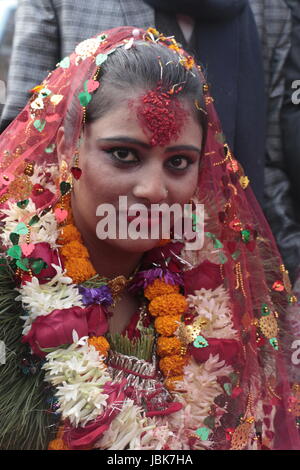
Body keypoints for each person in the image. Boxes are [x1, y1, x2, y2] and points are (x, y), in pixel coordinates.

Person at [0, 27, 299, 451]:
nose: (154, 190)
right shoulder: (12, 272)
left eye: (179, 162)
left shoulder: (223, 289)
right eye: (124, 154)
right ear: (70, 145)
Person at [0, 0, 266, 203]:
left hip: (215, 242)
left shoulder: (264, 9)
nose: (151, 188)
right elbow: (26, 133)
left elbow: (271, 156)